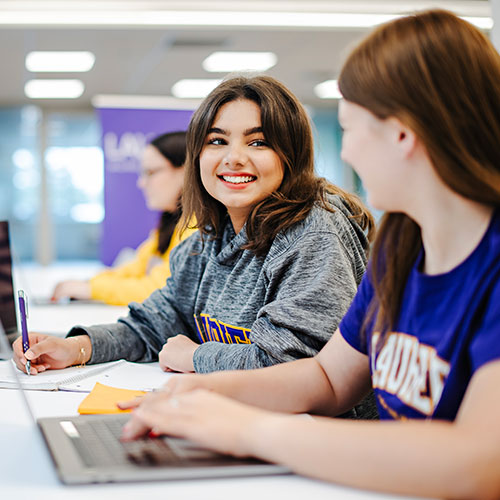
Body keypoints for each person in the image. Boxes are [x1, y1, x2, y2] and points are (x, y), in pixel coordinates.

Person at [116, 10, 500, 499]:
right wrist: (197, 394)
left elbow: (482, 463)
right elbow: (328, 377)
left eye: (352, 129)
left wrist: (248, 429)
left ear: (403, 134)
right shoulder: (402, 246)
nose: (350, 155)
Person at [14, 75, 376, 419]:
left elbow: (292, 371)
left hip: (323, 440)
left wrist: (195, 356)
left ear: (290, 154)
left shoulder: (313, 232)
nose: (233, 157)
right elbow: (155, 323)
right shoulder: (206, 237)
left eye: (258, 141)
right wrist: (76, 348)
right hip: (243, 421)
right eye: (217, 141)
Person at [51, 131, 194, 306]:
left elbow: (160, 289)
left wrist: (90, 289)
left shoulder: (197, 228)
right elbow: (134, 270)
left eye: (150, 172)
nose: (141, 182)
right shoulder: (171, 224)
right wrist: (86, 284)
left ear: (185, 171)